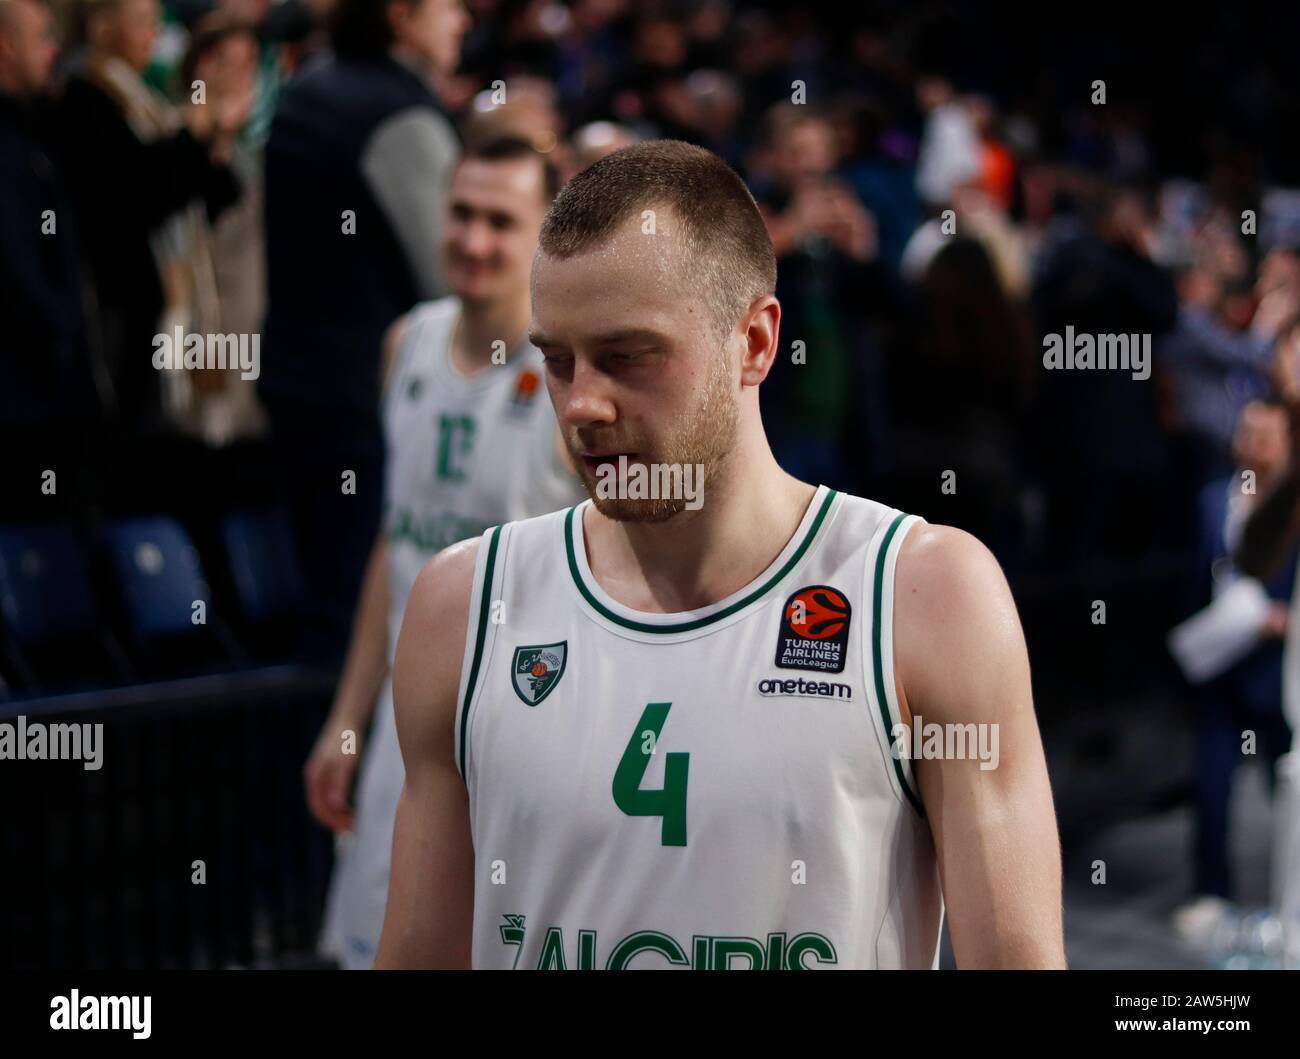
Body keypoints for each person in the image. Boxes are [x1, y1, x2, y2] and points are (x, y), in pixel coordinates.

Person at [375, 140, 1066, 970]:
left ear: (756, 341)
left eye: (627, 356)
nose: (584, 403)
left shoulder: (926, 596)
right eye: (557, 361)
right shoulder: (463, 603)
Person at [303, 136, 583, 969]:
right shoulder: (408, 344)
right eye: (462, 213)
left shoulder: (573, 379)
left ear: (543, 237)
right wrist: (346, 722)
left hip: (528, 740)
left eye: (503, 221)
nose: (474, 239)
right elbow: (397, 549)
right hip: (405, 729)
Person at [259, 0, 469, 663]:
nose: (462, 20)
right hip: (370, 402)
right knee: (371, 613)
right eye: (449, 6)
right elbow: (455, 275)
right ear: (402, 15)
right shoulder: (399, 113)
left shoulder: (305, 89)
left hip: (299, 384)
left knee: (327, 603)